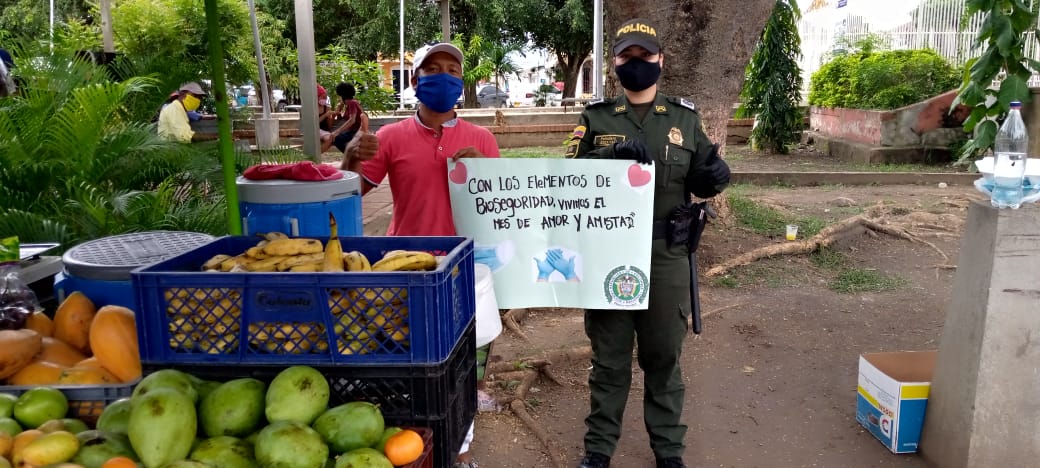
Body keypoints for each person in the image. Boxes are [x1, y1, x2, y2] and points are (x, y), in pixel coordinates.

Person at [565, 18, 731, 468]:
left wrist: (716, 177)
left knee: (663, 357)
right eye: (627, 57)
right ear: (615, 63)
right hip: (609, 255)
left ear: (661, 60)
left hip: (666, 255)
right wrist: (608, 156)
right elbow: (567, 178)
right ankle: (599, 450)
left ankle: (669, 451)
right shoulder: (596, 118)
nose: (637, 64)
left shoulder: (683, 119)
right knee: (610, 359)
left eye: (645, 56)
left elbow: (702, 174)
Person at [341, 42, 498, 468]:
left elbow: (501, 209)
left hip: (465, 267)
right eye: (433, 69)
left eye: (452, 69)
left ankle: (461, 451)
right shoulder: (389, 137)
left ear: (462, 83)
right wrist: (350, 157)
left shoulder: (481, 139)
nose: (443, 77)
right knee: (408, 363)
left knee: (465, 364)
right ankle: (413, 446)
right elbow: (351, 192)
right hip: (403, 269)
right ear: (415, 81)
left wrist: (481, 173)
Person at [331, 82, 368, 154]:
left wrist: (337, 131)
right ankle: (351, 157)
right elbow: (343, 119)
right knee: (334, 138)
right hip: (352, 132)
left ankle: (351, 157)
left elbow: (352, 120)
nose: (338, 98)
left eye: (339, 96)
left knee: (336, 138)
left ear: (342, 95)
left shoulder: (352, 103)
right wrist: (339, 109)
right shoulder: (349, 105)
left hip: (357, 132)